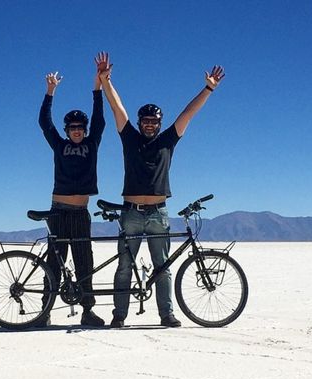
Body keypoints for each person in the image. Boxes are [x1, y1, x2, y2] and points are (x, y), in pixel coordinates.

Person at [96, 52, 225, 328]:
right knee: (124, 267)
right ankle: (119, 315)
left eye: (154, 121)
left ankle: (166, 314)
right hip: (130, 213)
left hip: (158, 214)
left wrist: (209, 89)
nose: (150, 125)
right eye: (146, 121)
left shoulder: (169, 140)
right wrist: (106, 82)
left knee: (162, 267)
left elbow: (188, 113)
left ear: (160, 123)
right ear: (141, 123)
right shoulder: (129, 138)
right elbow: (117, 109)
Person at [37, 54, 110, 327]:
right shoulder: (58, 144)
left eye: (81, 127)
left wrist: (98, 86)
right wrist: (50, 92)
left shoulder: (92, 145)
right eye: (72, 128)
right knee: (54, 263)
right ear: (67, 130)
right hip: (59, 211)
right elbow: (45, 123)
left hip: (80, 212)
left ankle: (88, 311)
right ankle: (44, 312)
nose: (77, 131)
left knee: (84, 262)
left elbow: (101, 120)